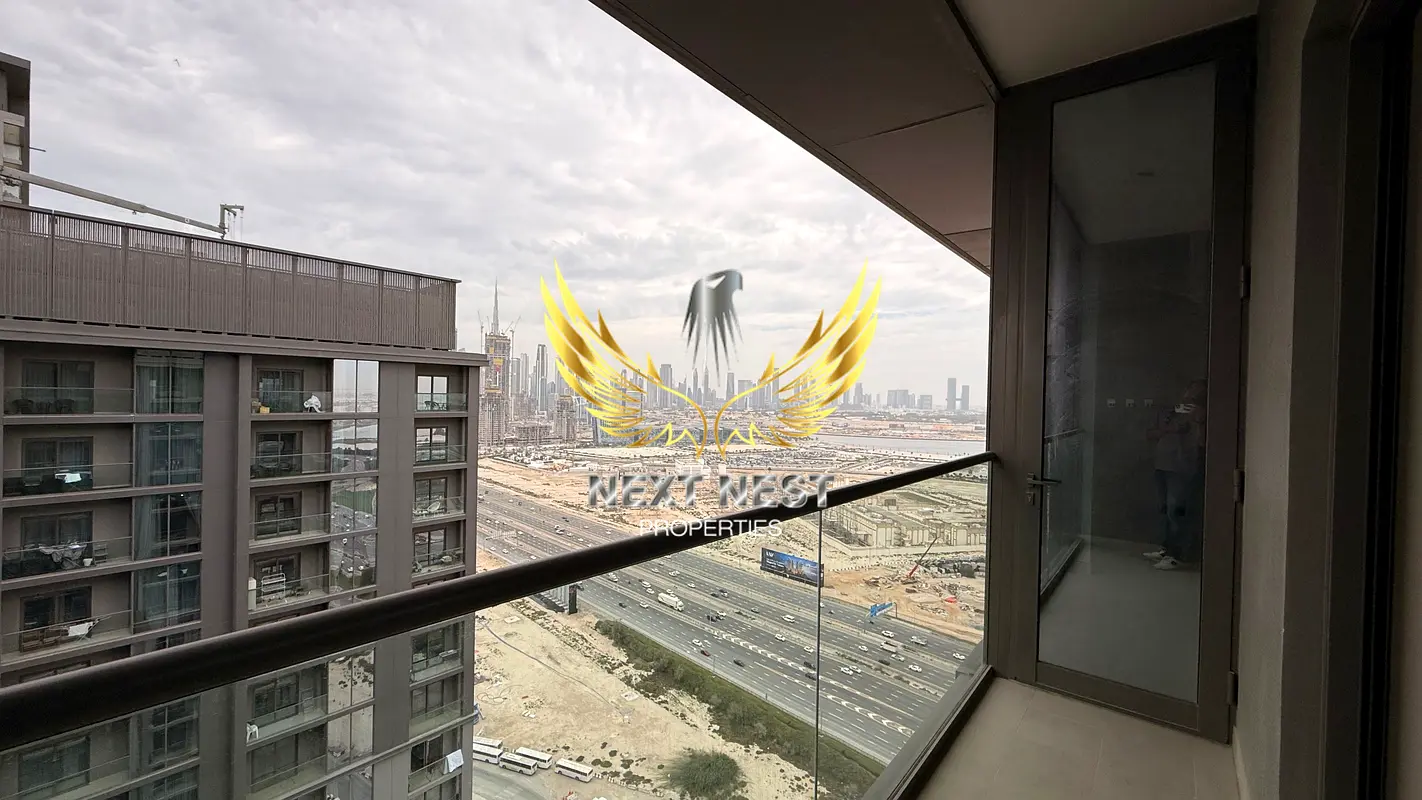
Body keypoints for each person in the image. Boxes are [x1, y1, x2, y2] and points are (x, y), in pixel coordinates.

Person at [1144, 379, 1207, 570]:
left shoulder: (1202, 413)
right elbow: (1150, 434)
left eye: (1196, 393)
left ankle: (1176, 555)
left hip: (1183, 468)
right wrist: (1169, 429)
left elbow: (1202, 441)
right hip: (1162, 465)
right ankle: (1167, 548)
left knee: (1176, 511)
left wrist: (1197, 419)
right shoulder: (1170, 411)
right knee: (1165, 509)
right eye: (1189, 390)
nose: (1190, 396)